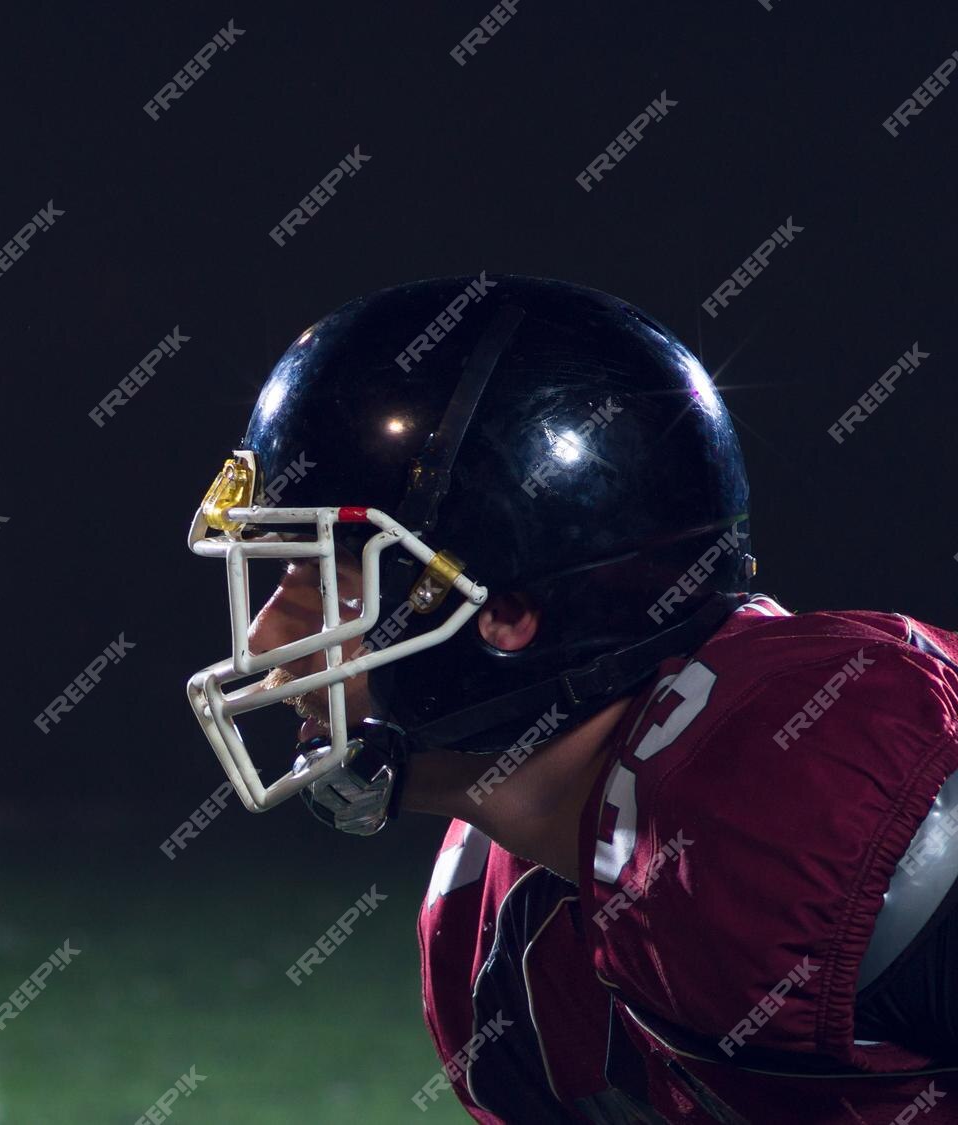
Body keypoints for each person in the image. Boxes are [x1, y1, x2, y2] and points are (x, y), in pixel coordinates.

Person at [185, 275, 958, 1121]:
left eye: (326, 580)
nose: (265, 640)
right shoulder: (490, 940)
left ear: (508, 612)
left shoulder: (802, 789)